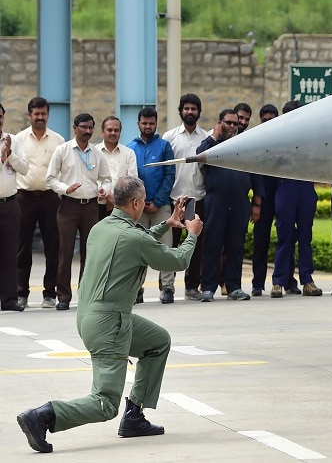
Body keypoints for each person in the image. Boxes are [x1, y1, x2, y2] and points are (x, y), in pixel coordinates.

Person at [16, 176, 203, 454]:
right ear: (137, 202)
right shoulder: (134, 237)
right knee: (105, 403)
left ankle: (135, 416)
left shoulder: (101, 228)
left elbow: (135, 243)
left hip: (90, 315)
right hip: (110, 322)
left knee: (158, 342)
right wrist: (192, 235)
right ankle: (43, 416)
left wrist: (167, 223)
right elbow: (176, 260)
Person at [46, 113, 111, 311]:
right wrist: (65, 189)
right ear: (75, 128)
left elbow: (106, 178)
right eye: (83, 127)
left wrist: (104, 190)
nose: (88, 131)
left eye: (90, 127)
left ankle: (86, 294)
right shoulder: (63, 150)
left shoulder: (97, 152)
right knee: (65, 252)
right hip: (68, 206)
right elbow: (50, 179)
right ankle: (63, 296)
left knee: (90, 252)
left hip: (91, 206)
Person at [197, 109, 264, 301]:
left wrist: (257, 203)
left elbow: (256, 175)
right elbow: (199, 154)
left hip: (240, 202)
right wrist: (214, 136)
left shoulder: (245, 145)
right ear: (220, 124)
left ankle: (234, 286)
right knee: (212, 244)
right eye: (228, 123)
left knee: (236, 244)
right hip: (216, 201)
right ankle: (208, 287)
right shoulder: (211, 145)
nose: (233, 127)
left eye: (235, 124)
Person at [15, 97, 65, 309]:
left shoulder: (58, 141)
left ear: (48, 114)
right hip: (23, 197)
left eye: (43, 113)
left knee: (53, 247)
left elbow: (64, 170)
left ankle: (49, 293)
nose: (40, 117)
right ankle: (21, 293)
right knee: (22, 248)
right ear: (29, 115)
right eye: (36, 114)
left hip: (50, 198)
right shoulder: (18, 139)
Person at [270, 101, 322, 298]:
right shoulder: (278, 137)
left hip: (306, 187)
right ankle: (278, 282)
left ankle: (307, 280)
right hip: (286, 187)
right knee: (284, 236)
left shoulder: (311, 137)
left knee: (305, 237)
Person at [162, 93, 209, 301]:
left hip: (198, 198)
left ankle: (191, 286)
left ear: (199, 112)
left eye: (194, 109)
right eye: (186, 108)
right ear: (180, 111)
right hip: (174, 200)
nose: (190, 112)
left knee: (196, 245)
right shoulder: (169, 137)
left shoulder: (206, 138)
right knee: (170, 246)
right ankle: (168, 287)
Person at [128, 107, 176, 304]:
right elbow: (129, 177)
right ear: (138, 124)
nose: (148, 126)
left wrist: (156, 201)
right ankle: (136, 289)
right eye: (144, 123)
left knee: (165, 247)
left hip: (161, 206)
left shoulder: (164, 146)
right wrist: (138, 202)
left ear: (156, 124)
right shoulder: (130, 147)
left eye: (151, 123)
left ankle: (167, 288)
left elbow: (169, 175)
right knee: (138, 248)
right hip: (137, 207)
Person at [0, 103, 29, 311]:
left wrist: (9, 153)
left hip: (9, 204)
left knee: (10, 253)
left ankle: (9, 299)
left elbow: (24, 169)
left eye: (0, 116)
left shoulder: (14, 140)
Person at [251, 103, 280, 296]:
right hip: (264, 198)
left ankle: (287, 281)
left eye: (272, 119)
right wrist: (257, 203)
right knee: (260, 241)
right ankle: (258, 284)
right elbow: (255, 175)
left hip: (284, 196)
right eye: (264, 120)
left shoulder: (283, 140)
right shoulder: (256, 141)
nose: (268, 123)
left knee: (286, 239)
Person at [96, 116, 138, 220]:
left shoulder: (129, 154)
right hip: (97, 205)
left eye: (116, 130)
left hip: (122, 207)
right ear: (102, 132)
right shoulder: (94, 152)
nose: (113, 133)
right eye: (109, 130)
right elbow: (90, 177)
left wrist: (115, 198)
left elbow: (132, 181)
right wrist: (107, 195)